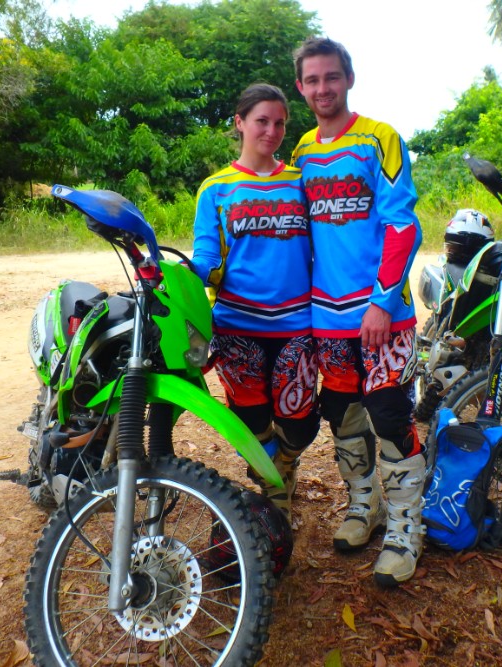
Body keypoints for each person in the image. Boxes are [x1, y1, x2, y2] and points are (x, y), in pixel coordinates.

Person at [291, 37, 425, 587]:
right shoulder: (301, 152)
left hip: (381, 314)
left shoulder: (379, 138)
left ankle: (405, 528)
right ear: (301, 87)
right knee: (342, 416)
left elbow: (403, 225)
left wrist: (381, 301)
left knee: (390, 416)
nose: (323, 88)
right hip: (327, 316)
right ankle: (364, 505)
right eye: (312, 80)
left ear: (349, 78)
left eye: (331, 77)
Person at [190, 83, 319, 520]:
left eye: (279, 122)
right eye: (262, 120)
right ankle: (274, 491)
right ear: (240, 122)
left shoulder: (300, 182)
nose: (271, 131)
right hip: (236, 326)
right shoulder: (215, 188)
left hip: (297, 324)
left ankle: (281, 466)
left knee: (300, 423)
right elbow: (207, 255)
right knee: (251, 422)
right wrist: (184, 273)